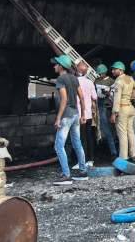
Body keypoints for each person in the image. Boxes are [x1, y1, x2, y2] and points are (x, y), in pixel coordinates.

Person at [51, 55, 89, 185]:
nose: (54, 66)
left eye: (56, 64)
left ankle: (66, 175)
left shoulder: (61, 79)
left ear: (61, 66)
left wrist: (58, 118)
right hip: (75, 115)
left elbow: (64, 100)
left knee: (58, 145)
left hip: (66, 116)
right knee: (77, 143)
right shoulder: (74, 78)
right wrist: (83, 114)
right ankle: (83, 172)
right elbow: (82, 97)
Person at [110, 61, 135, 160]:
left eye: (114, 69)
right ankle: (133, 155)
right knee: (131, 132)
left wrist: (114, 113)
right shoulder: (130, 78)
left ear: (120, 70)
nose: (112, 71)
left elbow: (117, 98)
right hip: (131, 108)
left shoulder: (118, 82)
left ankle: (123, 157)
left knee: (122, 134)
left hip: (122, 109)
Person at [76, 60, 98, 166]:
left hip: (79, 114)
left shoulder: (75, 81)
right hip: (88, 114)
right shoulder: (90, 82)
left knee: (81, 138)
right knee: (89, 137)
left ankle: (82, 161)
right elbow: (95, 97)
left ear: (77, 70)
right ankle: (91, 160)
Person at [94, 64, 118, 158]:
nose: (100, 75)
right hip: (99, 105)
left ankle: (114, 151)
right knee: (105, 129)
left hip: (108, 105)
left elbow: (115, 94)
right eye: (99, 73)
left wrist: (108, 93)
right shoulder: (96, 80)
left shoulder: (111, 81)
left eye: (102, 73)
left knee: (111, 129)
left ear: (105, 72)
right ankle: (112, 151)